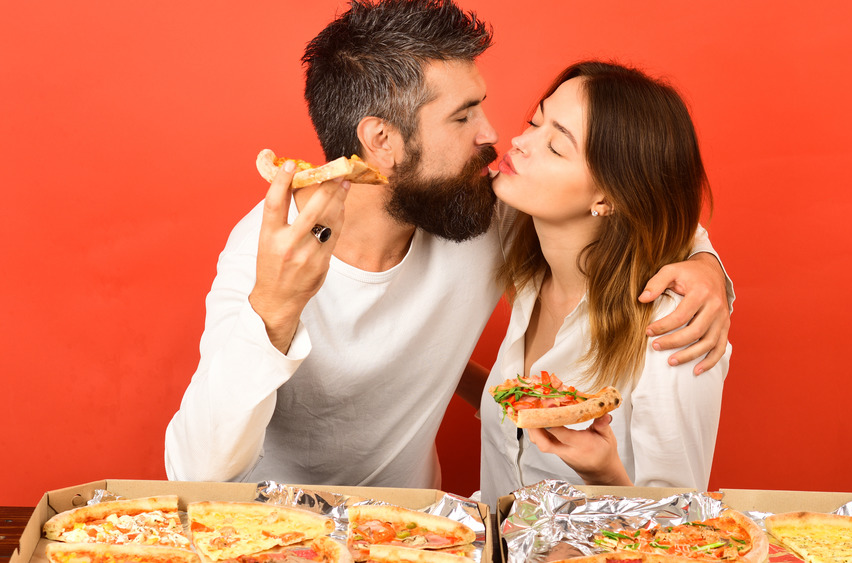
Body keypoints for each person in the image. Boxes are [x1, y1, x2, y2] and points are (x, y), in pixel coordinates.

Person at [165, 0, 732, 490]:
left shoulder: (483, 205)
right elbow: (194, 471)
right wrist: (274, 309)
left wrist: (706, 267)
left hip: (422, 536)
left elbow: (628, 196)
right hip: (277, 533)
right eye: (463, 116)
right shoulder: (271, 249)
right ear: (381, 142)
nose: (494, 134)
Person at [479, 61, 730, 506]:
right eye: (534, 121)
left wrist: (604, 475)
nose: (519, 142)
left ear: (607, 198)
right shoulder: (528, 266)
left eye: (556, 146)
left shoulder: (674, 329)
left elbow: (677, 527)